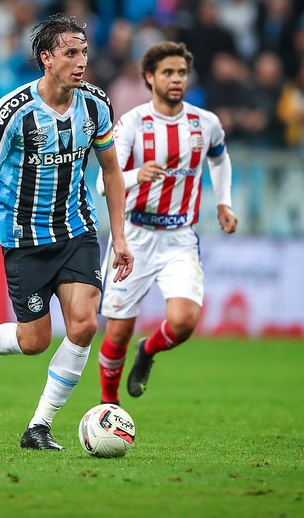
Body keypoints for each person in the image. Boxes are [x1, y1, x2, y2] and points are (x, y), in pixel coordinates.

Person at [0, 15, 134, 451]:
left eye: (84, 52)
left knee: (84, 325)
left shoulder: (96, 104)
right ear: (47, 58)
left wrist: (119, 237)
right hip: (23, 239)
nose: (81, 61)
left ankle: (39, 426)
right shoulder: (13, 110)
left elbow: (111, 171)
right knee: (35, 341)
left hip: (76, 229)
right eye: (71, 53)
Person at [95, 41, 238, 406]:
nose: (176, 79)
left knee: (184, 321)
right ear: (149, 77)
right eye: (168, 72)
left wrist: (224, 203)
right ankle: (109, 405)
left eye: (182, 73)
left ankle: (148, 350)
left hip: (179, 236)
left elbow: (220, 159)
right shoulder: (131, 123)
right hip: (135, 235)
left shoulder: (205, 123)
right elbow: (103, 183)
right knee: (118, 332)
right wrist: (136, 175)